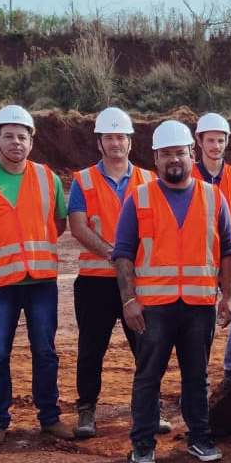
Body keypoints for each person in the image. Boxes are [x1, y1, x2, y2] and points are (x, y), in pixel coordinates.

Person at [113, 120, 231, 463]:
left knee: (196, 375)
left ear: (191, 154)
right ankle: (142, 443)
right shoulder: (139, 198)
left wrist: (227, 297)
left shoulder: (214, 197)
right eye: (166, 154)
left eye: (179, 152)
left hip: (198, 306)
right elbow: (123, 253)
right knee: (148, 375)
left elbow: (228, 250)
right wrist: (129, 300)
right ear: (155, 157)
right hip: (154, 307)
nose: (173, 160)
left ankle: (199, 437)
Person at [0, 104, 74, 444]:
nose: (16, 142)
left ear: (31, 142)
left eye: (22, 137)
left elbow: (58, 223)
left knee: (46, 350)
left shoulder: (48, 178)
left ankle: (49, 417)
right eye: (9, 136)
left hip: (40, 283)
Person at [66, 106, 167, 440]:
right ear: (100, 142)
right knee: (92, 347)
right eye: (108, 137)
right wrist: (116, 254)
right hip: (95, 282)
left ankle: (152, 409)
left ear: (129, 141)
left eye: (120, 136)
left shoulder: (149, 180)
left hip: (140, 283)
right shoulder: (83, 180)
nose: (115, 143)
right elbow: (78, 227)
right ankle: (87, 410)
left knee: (146, 346)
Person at [192, 112, 231, 385]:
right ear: (199, 141)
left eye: (220, 140)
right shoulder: (188, 173)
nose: (215, 146)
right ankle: (197, 376)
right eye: (210, 140)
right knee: (198, 324)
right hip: (198, 262)